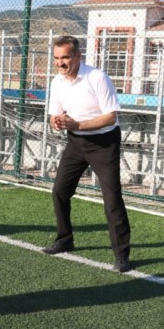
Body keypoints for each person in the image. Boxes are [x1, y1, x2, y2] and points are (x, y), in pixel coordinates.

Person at [43, 35, 131, 273]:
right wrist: (58, 121)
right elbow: (55, 116)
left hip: (104, 144)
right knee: (60, 192)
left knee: (112, 199)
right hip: (75, 143)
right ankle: (64, 239)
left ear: (78, 56)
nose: (60, 63)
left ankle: (121, 255)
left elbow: (111, 116)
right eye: (57, 58)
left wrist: (77, 125)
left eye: (65, 58)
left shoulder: (97, 77)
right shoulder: (57, 82)